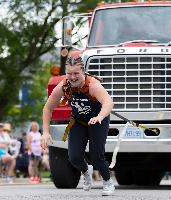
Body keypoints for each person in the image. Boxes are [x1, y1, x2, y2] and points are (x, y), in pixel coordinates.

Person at [41, 55, 115, 196]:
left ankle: (108, 182)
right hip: (78, 122)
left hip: (97, 121)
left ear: (83, 71)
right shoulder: (63, 86)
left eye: (76, 73)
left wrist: (99, 117)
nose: (73, 77)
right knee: (74, 157)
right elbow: (47, 108)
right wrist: (45, 132)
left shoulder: (92, 85)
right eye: (69, 73)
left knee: (96, 155)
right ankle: (86, 172)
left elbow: (108, 102)